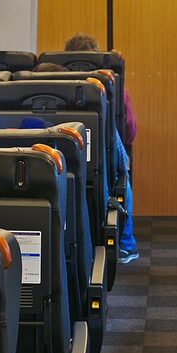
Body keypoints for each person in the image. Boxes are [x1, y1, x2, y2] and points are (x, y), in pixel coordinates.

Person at [63, 33, 139, 264]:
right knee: (121, 169)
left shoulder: (52, 84)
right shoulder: (110, 87)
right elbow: (130, 128)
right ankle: (125, 243)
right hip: (101, 150)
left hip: (62, 149)